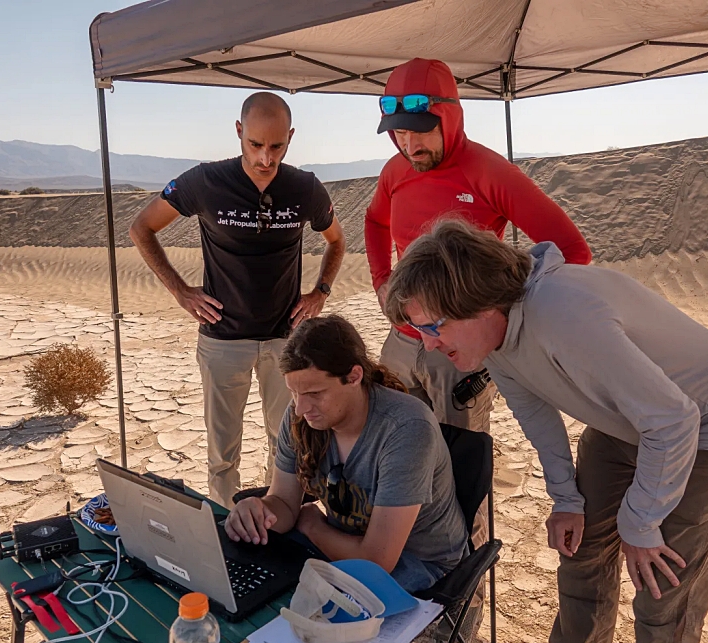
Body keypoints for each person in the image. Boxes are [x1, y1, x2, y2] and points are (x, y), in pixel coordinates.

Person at [384, 221, 708, 643]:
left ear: (478, 303)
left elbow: (674, 421)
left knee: (661, 586)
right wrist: (566, 498)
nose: (429, 345)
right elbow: (536, 415)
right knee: (581, 553)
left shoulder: (564, 314)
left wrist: (641, 522)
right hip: (626, 420)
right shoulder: (494, 336)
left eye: (433, 327)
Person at [130, 92, 346, 507]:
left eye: (277, 146)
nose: (266, 158)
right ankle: (226, 526)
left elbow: (336, 241)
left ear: (291, 137)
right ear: (238, 131)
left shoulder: (305, 187)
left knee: (287, 445)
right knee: (222, 453)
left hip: (286, 341)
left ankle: (277, 520)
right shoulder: (205, 181)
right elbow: (142, 228)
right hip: (222, 341)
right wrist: (180, 290)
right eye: (255, 144)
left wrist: (320, 292)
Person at [364, 57, 592, 434]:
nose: (410, 145)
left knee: (462, 458)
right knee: (399, 446)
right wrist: (381, 280)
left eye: (421, 131)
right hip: (401, 340)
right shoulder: (395, 171)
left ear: (449, 117)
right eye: (399, 133)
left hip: (459, 352)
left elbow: (573, 251)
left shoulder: (489, 172)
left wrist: (507, 318)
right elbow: (374, 220)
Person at [224, 314, 468, 593]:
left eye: (315, 393)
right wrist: (258, 513)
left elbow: (376, 562)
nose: (301, 408)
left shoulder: (406, 428)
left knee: (312, 609)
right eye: (294, 393)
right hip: (343, 542)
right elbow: (284, 503)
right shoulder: (301, 416)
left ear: (354, 377)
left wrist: (313, 526)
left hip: (418, 561)